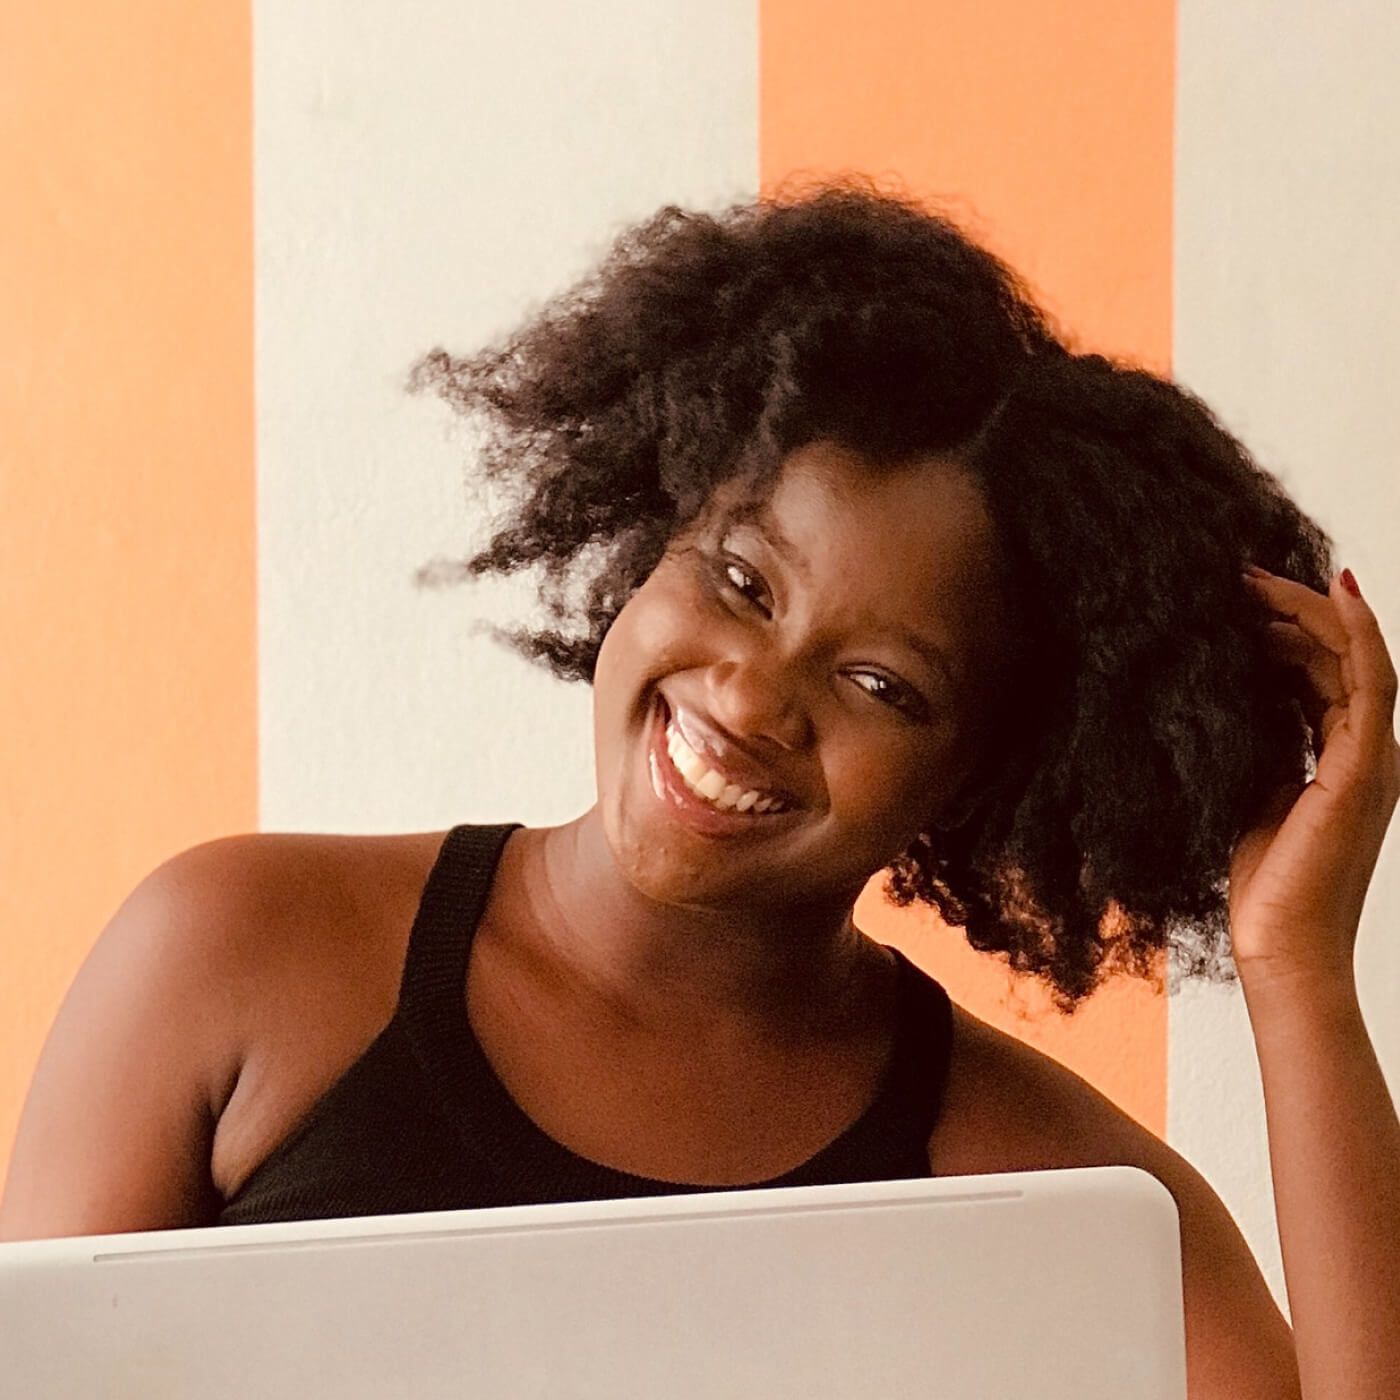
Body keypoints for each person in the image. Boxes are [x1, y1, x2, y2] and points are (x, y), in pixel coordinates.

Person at [2, 184, 1397, 1398]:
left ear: (982, 774)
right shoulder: (237, 950)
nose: (751, 697)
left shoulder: (1029, 1179)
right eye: (742, 582)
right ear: (655, 530)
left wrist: (1298, 973)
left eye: (881, 684)